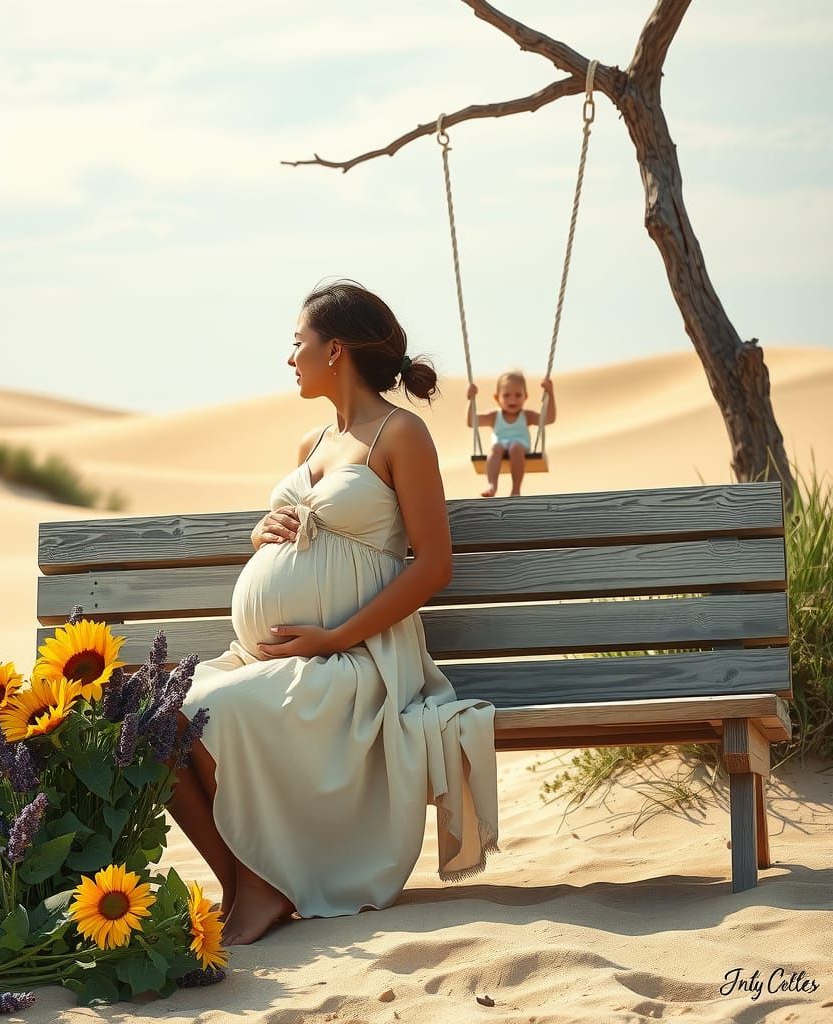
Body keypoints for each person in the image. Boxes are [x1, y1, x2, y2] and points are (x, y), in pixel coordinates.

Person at [171, 280, 499, 947]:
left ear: (336, 349)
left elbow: (433, 564)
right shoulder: (311, 443)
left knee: (213, 713)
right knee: (157, 720)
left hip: (360, 658)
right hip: (281, 655)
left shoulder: (401, 434)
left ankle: (258, 892)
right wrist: (263, 536)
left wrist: (335, 636)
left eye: (299, 343)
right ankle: (245, 885)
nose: (290, 357)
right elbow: (304, 533)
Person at [465, 372, 556, 497]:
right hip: (500, 445)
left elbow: (548, 419)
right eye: (506, 395)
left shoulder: (526, 416)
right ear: (497, 398)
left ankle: (515, 490)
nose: (512, 399)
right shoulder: (494, 416)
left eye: (518, 395)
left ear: (526, 397)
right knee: (495, 448)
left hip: (520, 445)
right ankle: (492, 485)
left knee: (515, 447)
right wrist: (471, 400)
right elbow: (472, 422)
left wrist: (550, 394)